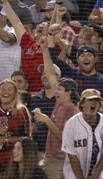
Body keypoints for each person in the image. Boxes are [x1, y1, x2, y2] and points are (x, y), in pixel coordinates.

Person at [35, 36, 80, 179]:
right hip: (51, 157)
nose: (56, 91)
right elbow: (50, 74)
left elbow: (64, 138)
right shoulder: (59, 104)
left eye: (59, 89)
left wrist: (46, 120)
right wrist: (44, 50)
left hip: (62, 160)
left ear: (69, 92)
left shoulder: (72, 110)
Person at [62, 89, 103, 179]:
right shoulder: (71, 124)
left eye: (97, 101)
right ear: (82, 103)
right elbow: (72, 156)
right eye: (90, 100)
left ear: (100, 106)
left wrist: (95, 176)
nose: (94, 103)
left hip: (101, 173)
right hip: (75, 174)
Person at [0, 79, 31, 177]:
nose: (6, 92)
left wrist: (5, 140)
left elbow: (27, 139)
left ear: (15, 93)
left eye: (9, 89)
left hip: (14, 162)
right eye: (3, 89)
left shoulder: (21, 111)